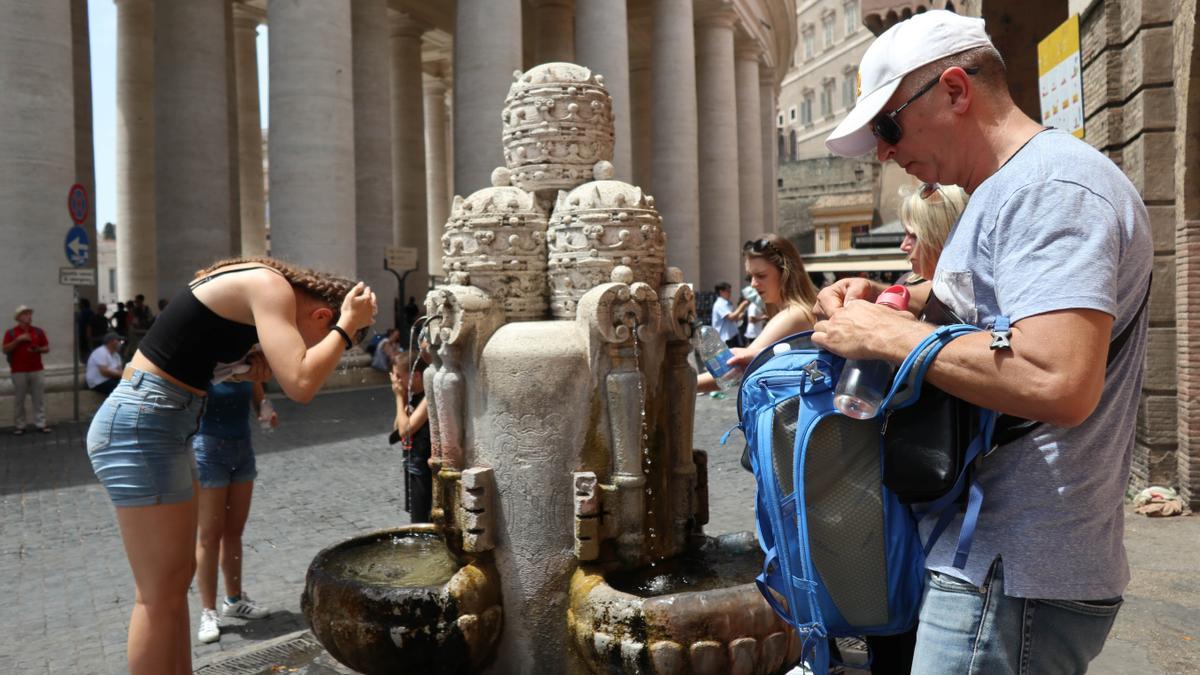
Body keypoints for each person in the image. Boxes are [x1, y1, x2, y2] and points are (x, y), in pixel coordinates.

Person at [815, 10, 1151, 673]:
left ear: (955, 90)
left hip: (1013, 571)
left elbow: (1057, 376)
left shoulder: (1051, 185)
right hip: (995, 562)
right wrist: (889, 298)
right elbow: (994, 306)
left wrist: (890, 335)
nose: (883, 150)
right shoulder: (1005, 189)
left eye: (887, 127)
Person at [86, 257, 376, 674]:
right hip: (143, 424)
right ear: (322, 314)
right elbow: (301, 383)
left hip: (162, 422)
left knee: (174, 582)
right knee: (156, 594)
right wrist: (347, 328)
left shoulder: (258, 292)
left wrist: (242, 367)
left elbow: (189, 354)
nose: (307, 349)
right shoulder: (270, 286)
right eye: (319, 339)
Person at [192, 378, 277, 644]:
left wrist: (266, 409)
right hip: (208, 450)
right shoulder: (203, 362)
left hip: (242, 450)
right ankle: (208, 611)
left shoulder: (246, 363)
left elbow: (259, 398)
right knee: (208, 536)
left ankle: (234, 599)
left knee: (234, 532)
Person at [698, 235, 820, 392]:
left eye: (761, 276)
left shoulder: (793, 316)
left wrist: (674, 383)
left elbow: (733, 369)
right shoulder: (803, 310)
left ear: (785, 273)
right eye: (750, 277)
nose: (753, 284)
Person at [390, 352, 431, 523]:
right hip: (412, 464)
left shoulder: (428, 398)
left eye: (399, 376)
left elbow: (405, 430)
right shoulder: (413, 397)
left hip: (425, 469)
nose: (395, 381)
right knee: (416, 518)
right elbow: (397, 429)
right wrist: (404, 399)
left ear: (415, 375)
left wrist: (399, 398)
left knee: (422, 521)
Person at [899, 183, 969, 284]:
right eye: (905, 235)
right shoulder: (906, 282)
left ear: (943, 235)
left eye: (914, 236)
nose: (903, 246)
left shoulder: (972, 295)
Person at [3, 305, 51, 434]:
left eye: (29, 314)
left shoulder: (38, 331)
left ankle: (41, 423)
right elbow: (5, 349)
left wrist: (38, 349)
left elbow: (46, 348)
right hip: (18, 370)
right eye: (25, 314)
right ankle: (20, 425)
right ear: (18, 318)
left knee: (38, 398)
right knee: (19, 398)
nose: (29, 316)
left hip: (36, 369)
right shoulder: (11, 333)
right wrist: (18, 340)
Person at [710, 282, 748, 349]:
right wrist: (742, 305)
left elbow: (733, 318)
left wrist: (739, 315)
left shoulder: (726, 303)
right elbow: (731, 317)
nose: (730, 294)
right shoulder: (720, 304)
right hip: (725, 339)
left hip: (731, 337)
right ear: (721, 292)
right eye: (728, 291)